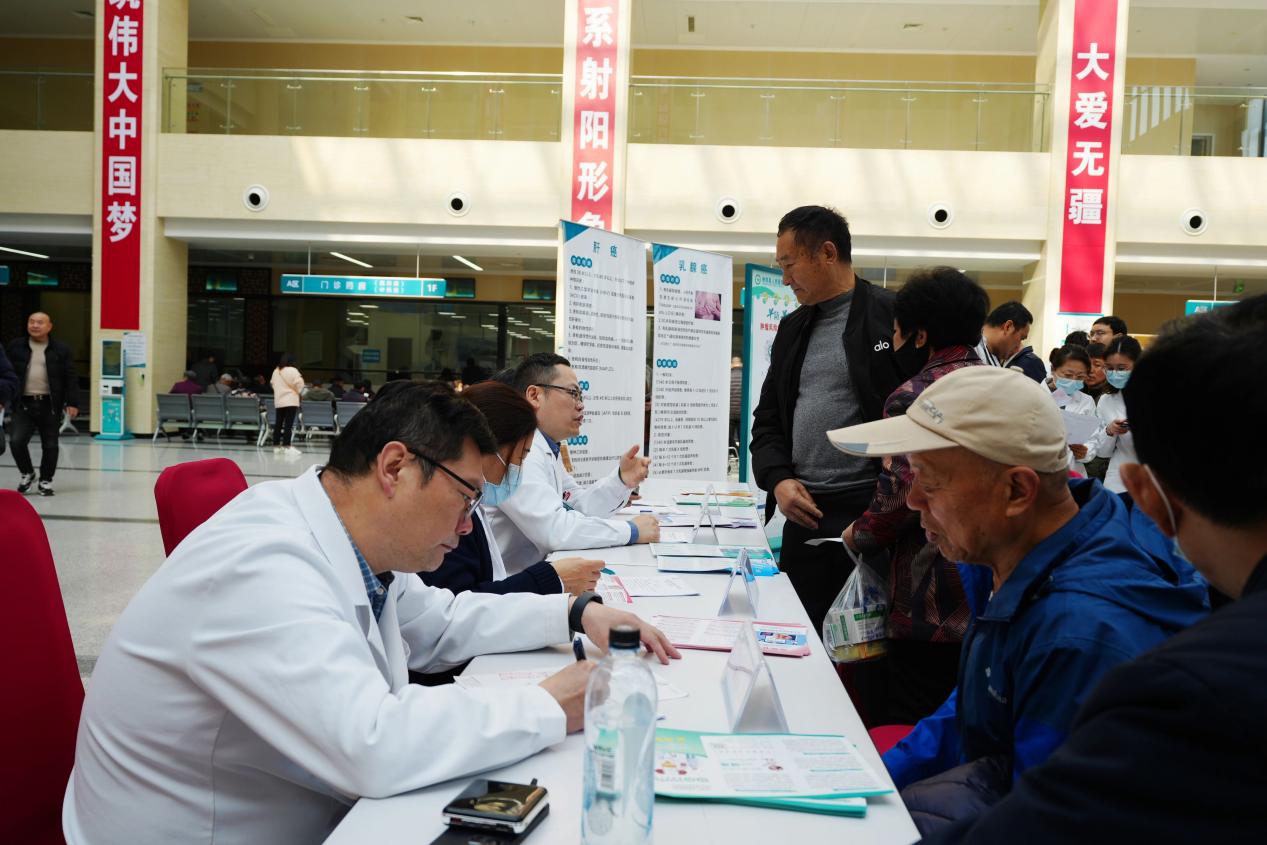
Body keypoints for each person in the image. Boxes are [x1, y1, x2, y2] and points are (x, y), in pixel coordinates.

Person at [62, 381, 678, 844]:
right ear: (394, 468)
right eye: (466, 497)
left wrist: (574, 612)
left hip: (299, 804)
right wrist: (548, 705)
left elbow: (440, 624)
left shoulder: (345, 532)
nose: (470, 525)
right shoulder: (264, 564)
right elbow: (371, 744)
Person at [920, 295, 1267, 845]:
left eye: (929, 481)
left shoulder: (1121, 655)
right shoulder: (1025, 560)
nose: (913, 501)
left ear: (1148, 495)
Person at [827, 366, 1208, 835]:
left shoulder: (1079, 637)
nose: (912, 500)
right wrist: (871, 779)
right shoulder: (1015, 555)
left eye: (930, 480)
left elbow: (1048, 822)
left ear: (1017, 490)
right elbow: (977, 707)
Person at [842, 268, 986, 727]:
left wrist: (858, 535)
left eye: (897, 332)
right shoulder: (1003, 386)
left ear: (920, 335)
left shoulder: (915, 396)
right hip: (994, 588)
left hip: (933, 595)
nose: (893, 342)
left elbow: (901, 495)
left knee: (915, 716)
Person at [750, 205, 901, 632]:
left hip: (872, 514)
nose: (784, 279)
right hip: (805, 513)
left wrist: (887, 505)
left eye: (789, 264)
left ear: (828, 253)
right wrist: (779, 480)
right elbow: (768, 419)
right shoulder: (793, 328)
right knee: (800, 637)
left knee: (866, 644)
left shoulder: (891, 317)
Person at [421, 381, 605, 597]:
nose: (579, 405)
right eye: (521, 457)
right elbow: (458, 604)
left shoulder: (473, 505)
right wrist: (552, 579)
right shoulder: (448, 513)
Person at [486, 352, 659, 574]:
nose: (580, 405)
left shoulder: (544, 447)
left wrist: (621, 480)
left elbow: (579, 507)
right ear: (535, 395)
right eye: (572, 393)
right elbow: (554, 530)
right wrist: (631, 531)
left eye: (580, 396)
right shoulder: (518, 450)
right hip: (507, 582)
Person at [6, 311, 80, 496]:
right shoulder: (16, 347)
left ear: (49, 326)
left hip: (50, 405)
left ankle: (46, 480)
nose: (35, 325)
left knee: (50, 445)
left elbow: (70, 377)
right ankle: (28, 473)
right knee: (16, 442)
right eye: (31, 322)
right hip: (23, 404)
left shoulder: (61, 349)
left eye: (39, 322)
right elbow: (6, 374)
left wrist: (72, 402)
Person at [1091, 335, 1142, 494]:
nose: (1114, 373)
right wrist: (1110, 431)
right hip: (1119, 478)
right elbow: (1102, 452)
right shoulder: (1106, 400)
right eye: (1110, 368)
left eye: (1121, 368)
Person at [1047, 344, 1102, 473]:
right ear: (1053, 369)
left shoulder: (1086, 401)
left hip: (1073, 472)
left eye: (1080, 377)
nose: (1073, 380)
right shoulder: (1035, 394)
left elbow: (1093, 439)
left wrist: (1085, 452)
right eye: (1068, 375)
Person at [270, 353, 305, 456]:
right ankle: (287, 445)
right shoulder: (293, 370)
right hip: (291, 400)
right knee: (288, 424)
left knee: (278, 423)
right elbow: (300, 384)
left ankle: (276, 446)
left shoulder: (276, 371)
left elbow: (272, 384)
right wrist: (299, 392)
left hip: (279, 400)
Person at [728, 356, 743, 449]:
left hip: (730, 414)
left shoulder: (728, 376)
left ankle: (733, 452)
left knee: (729, 437)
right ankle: (741, 453)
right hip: (741, 413)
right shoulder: (744, 377)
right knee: (742, 438)